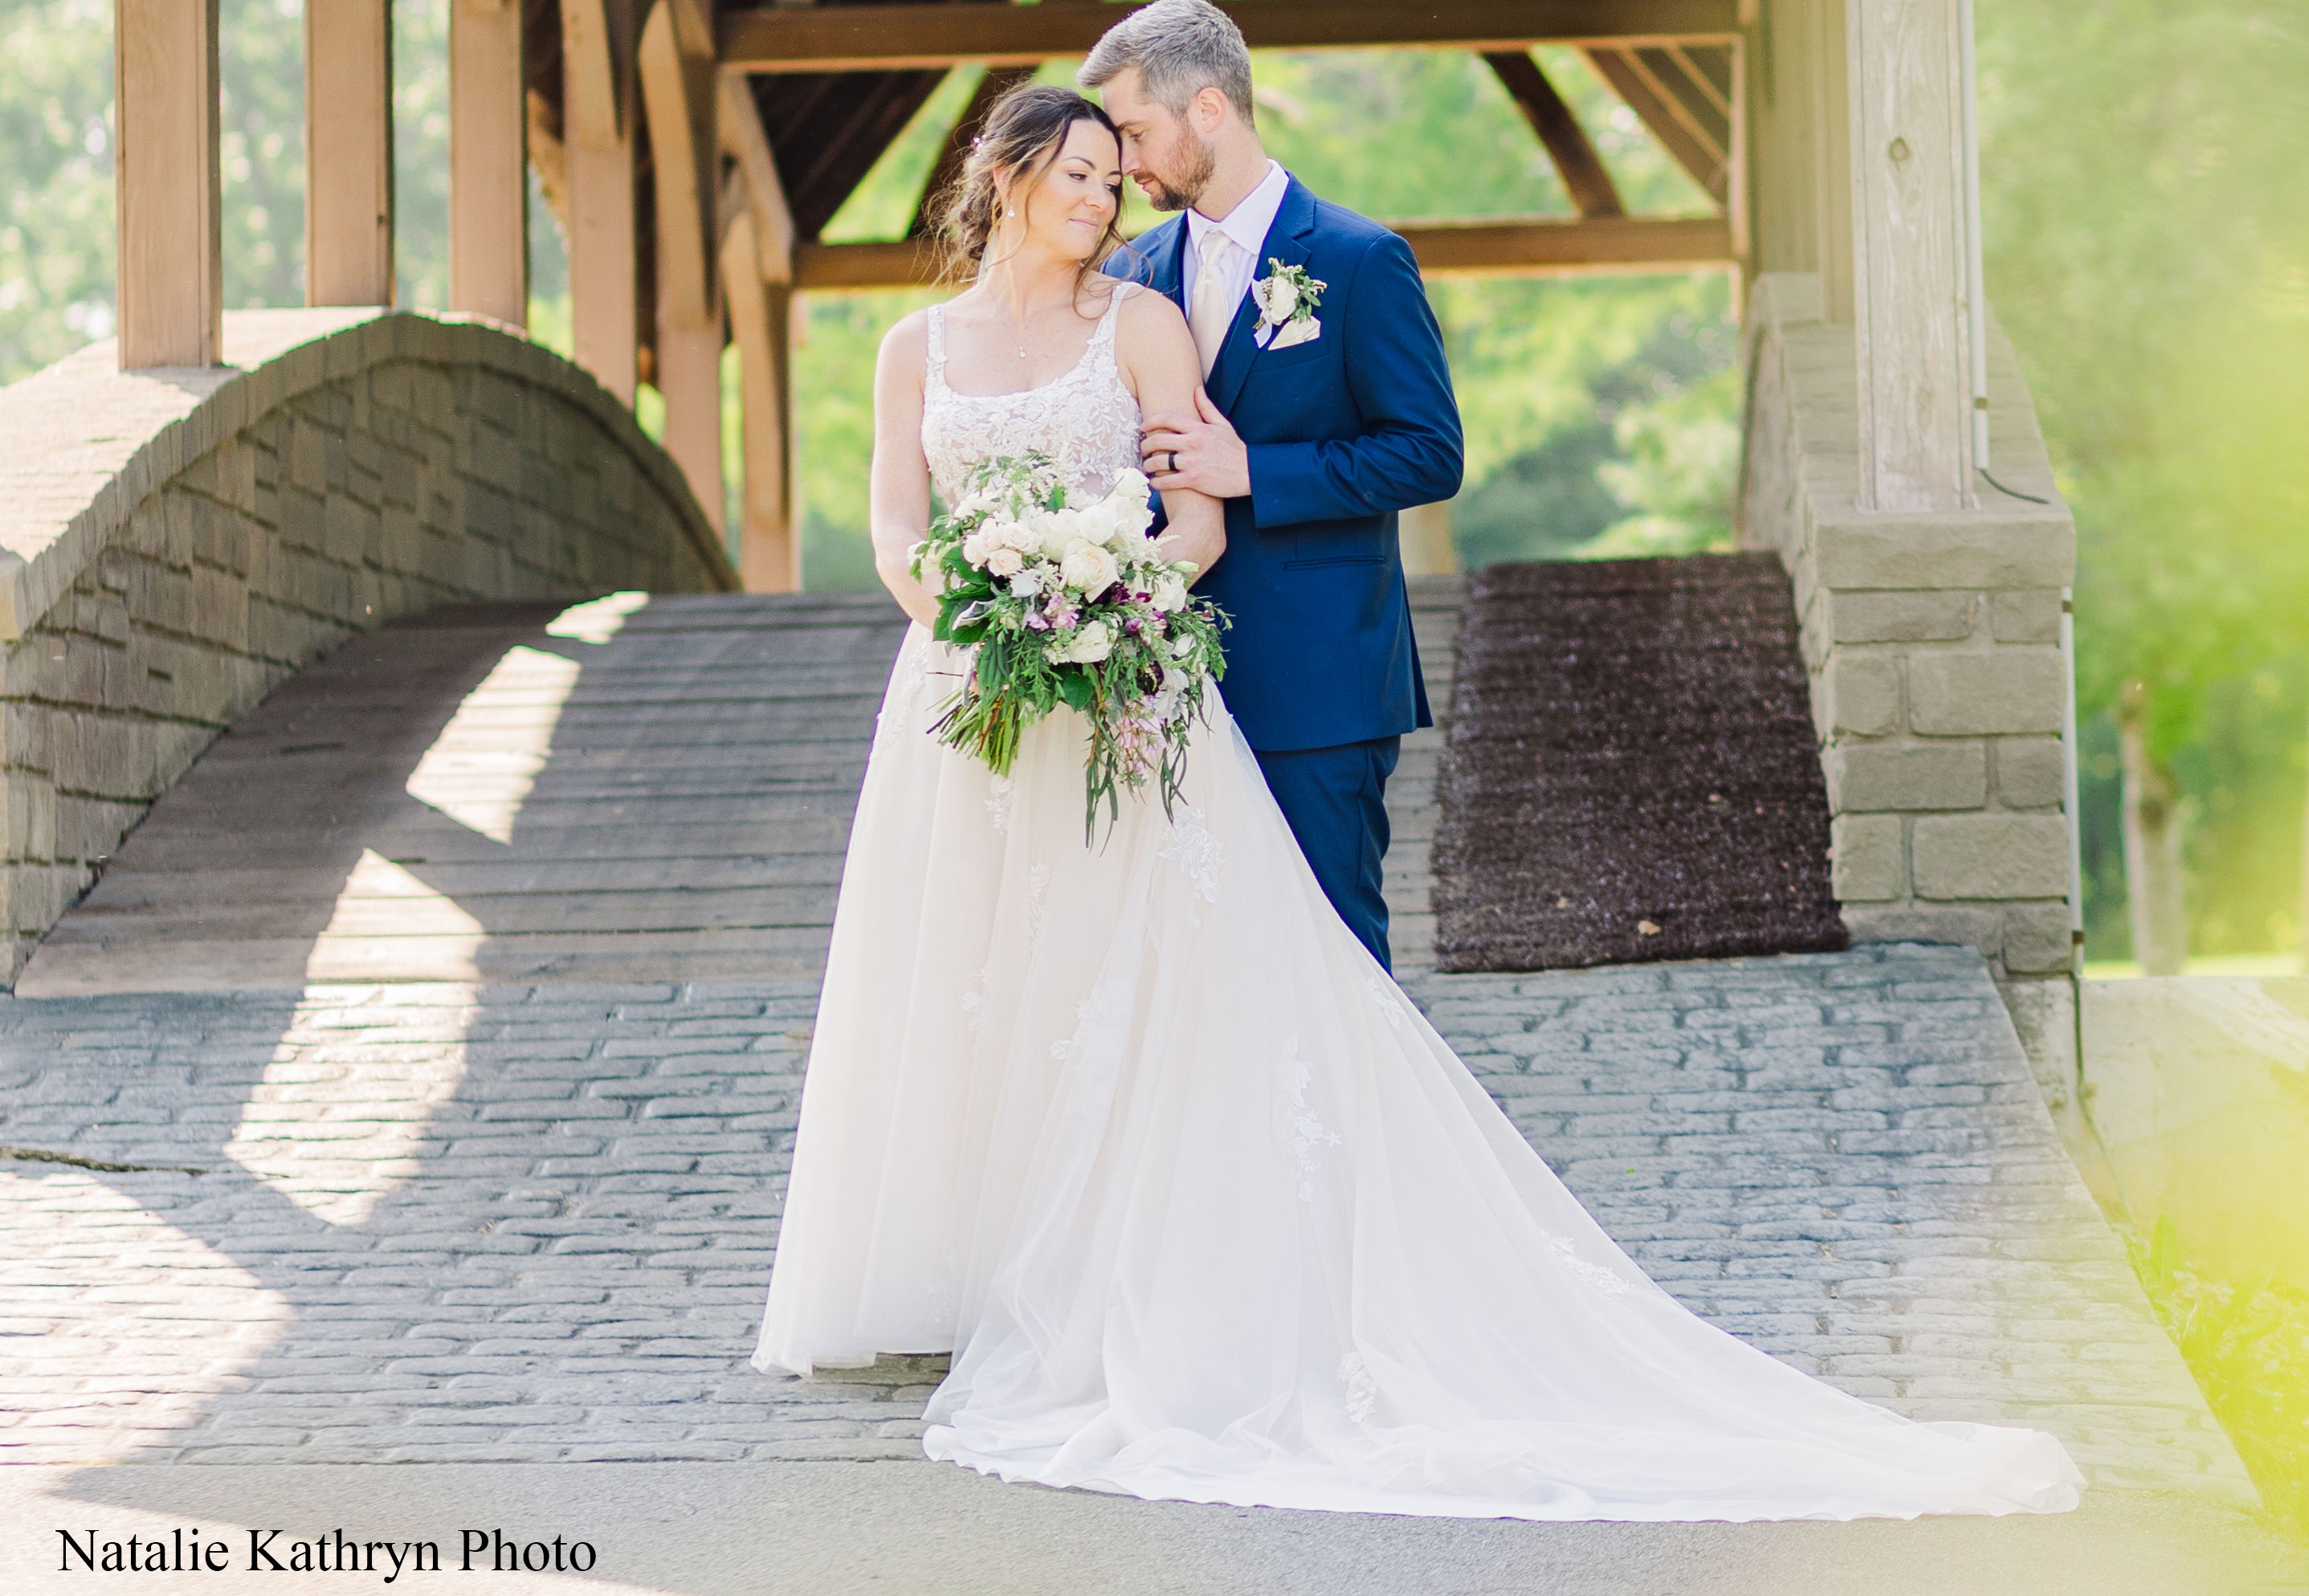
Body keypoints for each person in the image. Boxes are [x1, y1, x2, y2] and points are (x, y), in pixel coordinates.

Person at [753, 74, 2079, 1520]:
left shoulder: (1147, 319)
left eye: (1113, 167)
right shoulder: (916, 346)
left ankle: (1231, 1272)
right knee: (978, 972)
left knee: (1163, 983)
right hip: (967, 699)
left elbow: (1200, 516)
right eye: (1078, 169)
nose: (1105, 190)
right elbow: (896, 526)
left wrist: (1099, 606)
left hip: (1120, 678)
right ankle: (970, 1267)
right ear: (1004, 176)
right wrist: (978, 615)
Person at [1081, 0, 1460, 970]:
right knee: (1196, 966)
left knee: (1334, 958)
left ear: (1208, 108)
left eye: (1135, 132)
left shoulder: (1359, 259)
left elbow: (1428, 451)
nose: (1123, 163)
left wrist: (1253, 471)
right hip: (1165, 680)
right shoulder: (1133, 273)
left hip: (1319, 678)